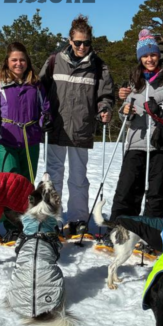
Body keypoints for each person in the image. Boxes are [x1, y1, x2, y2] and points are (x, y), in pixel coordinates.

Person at [39, 15, 114, 240]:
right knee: (53, 176)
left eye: (86, 43)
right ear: (70, 41)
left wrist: (105, 108)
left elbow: (105, 94)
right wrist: (43, 113)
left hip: (81, 128)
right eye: (78, 42)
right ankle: (52, 218)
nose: (82, 47)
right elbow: (40, 89)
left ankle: (78, 219)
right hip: (56, 127)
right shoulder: (54, 61)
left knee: (79, 177)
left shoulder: (99, 66)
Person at [109, 30, 163, 219]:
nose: (149, 59)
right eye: (145, 56)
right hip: (136, 141)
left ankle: (150, 230)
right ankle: (121, 226)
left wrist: (161, 109)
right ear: (140, 58)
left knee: (156, 191)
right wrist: (124, 111)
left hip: (160, 143)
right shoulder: (134, 80)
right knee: (127, 188)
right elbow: (126, 109)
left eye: (152, 55)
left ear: (158, 56)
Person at [0, 41, 50, 181]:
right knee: (12, 182)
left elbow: (45, 109)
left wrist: (47, 120)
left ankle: (26, 204)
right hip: (6, 141)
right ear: (7, 61)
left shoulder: (36, 85)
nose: (18, 63)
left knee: (27, 184)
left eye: (22, 60)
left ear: (27, 62)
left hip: (31, 141)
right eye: (14, 60)